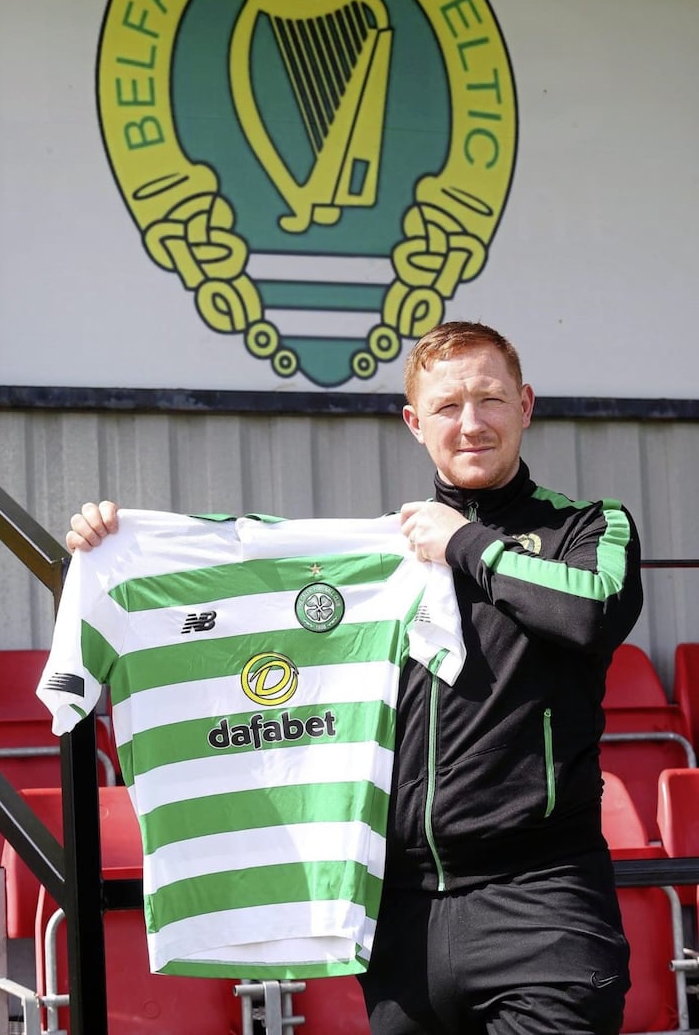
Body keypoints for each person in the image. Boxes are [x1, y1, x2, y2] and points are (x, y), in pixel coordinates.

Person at [66, 320, 643, 1035]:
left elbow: (593, 612)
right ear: (413, 422)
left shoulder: (587, 526)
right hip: (400, 919)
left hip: (543, 905)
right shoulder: (377, 555)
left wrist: (462, 543)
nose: (471, 423)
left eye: (490, 400)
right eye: (447, 406)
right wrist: (121, 546)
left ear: (526, 404)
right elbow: (245, 560)